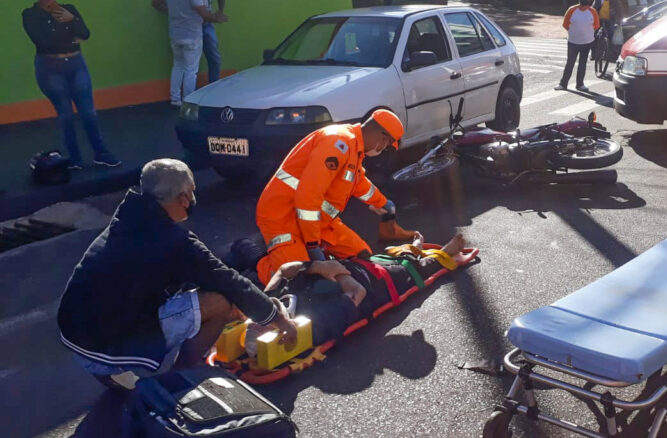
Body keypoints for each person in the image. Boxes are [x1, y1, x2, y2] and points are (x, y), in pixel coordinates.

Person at [58, 159, 297, 389]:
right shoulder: (174, 242)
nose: (192, 198)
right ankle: (180, 380)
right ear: (183, 198)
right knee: (221, 303)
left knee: (160, 300)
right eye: (191, 192)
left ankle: (112, 375)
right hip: (103, 348)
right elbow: (227, 280)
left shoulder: (129, 218)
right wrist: (277, 318)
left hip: (74, 337)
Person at [254, 109, 418, 286]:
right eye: (386, 146)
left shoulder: (353, 148)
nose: (383, 149)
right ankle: (261, 266)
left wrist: (383, 202)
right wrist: (312, 245)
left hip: (318, 221)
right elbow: (308, 197)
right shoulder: (337, 142)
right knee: (298, 279)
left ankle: (305, 253)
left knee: (362, 255)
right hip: (282, 218)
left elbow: (358, 182)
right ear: (382, 137)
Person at [256, 233, 468, 346]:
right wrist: (338, 273)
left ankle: (413, 249)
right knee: (411, 268)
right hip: (376, 284)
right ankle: (442, 254)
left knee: (383, 256)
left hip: (358, 265)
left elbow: (284, 269)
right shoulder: (315, 324)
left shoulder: (270, 306)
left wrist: (317, 266)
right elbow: (357, 294)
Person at [22, 0, 121, 169]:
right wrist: (70, 39)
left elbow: (85, 34)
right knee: (65, 114)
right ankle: (74, 159)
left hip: (76, 63)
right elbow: (41, 41)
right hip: (50, 67)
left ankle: (101, 153)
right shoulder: (30, 15)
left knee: (88, 112)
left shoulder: (69, 9)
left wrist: (73, 20)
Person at [151, 0, 228, 106]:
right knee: (191, 70)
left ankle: (175, 99)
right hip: (192, 35)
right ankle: (188, 100)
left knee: (178, 65)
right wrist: (218, 18)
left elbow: (155, 3)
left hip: (176, 34)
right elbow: (204, 15)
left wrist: (175, 11)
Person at [557, 0, 600, 92]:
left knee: (582, 63)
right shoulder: (571, 10)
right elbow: (565, 24)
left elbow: (596, 26)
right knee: (570, 63)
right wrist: (574, 32)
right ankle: (563, 84)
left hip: (587, 42)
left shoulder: (593, 12)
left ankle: (580, 84)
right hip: (573, 42)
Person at [202, 0, 225, 83]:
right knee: (189, 63)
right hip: (190, 23)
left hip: (207, 23)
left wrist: (220, 10)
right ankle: (190, 92)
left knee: (215, 58)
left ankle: (213, 87)